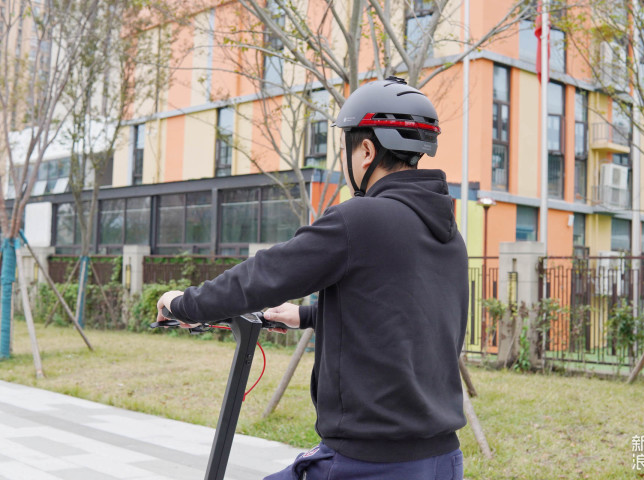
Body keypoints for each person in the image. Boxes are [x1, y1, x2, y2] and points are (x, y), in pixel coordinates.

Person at [156, 76, 468, 479]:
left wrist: (182, 304)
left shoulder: (359, 219)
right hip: (441, 461)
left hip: (368, 464)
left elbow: (263, 275)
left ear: (366, 150)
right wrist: (304, 316)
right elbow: (402, 314)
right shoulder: (448, 234)